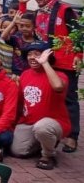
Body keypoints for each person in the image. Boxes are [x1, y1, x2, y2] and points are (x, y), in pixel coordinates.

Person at [21, 0, 82, 153]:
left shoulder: (65, 10)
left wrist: (79, 55)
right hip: (46, 60)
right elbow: (24, 21)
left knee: (69, 97)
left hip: (65, 61)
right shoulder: (38, 12)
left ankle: (72, 136)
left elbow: (78, 36)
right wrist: (22, 3)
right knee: (49, 95)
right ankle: (51, 130)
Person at [11, 42, 70, 170]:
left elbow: (58, 86)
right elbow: (20, 102)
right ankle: (45, 142)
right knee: (18, 151)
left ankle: (48, 155)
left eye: (37, 54)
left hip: (54, 122)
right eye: (30, 54)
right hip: (29, 122)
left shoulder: (59, 75)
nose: (32, 57)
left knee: (42, 127)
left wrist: (45, 63)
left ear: (48, 57)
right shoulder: (25, 74)